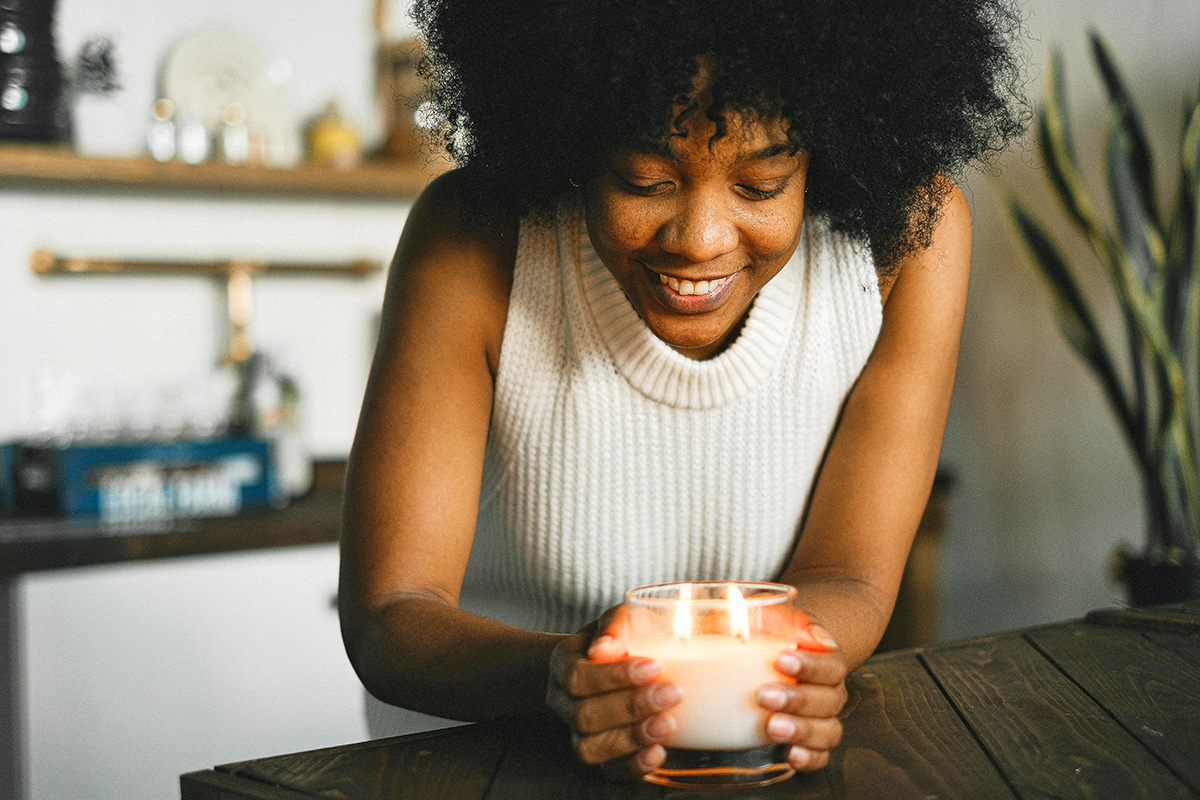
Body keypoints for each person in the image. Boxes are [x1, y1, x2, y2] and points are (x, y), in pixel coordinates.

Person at [338, 0, 1027, 781]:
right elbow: (390, 615)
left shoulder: (908, 243)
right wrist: (566, 677)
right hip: (471, 769)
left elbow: (851, 577)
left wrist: (786, 669)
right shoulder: (477, 240)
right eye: (645, 180)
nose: (700, 240)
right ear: (574, 144)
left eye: (762, 186)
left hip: (738, 762)